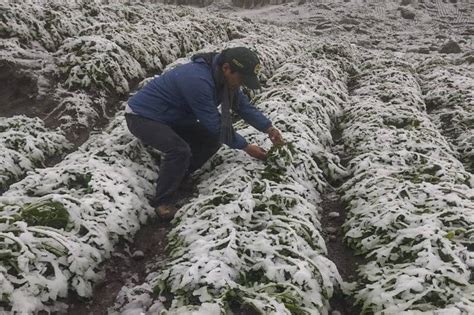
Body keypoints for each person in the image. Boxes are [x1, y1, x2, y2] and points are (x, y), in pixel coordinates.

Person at [125, 46, 284, 220]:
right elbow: (216, 124)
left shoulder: (223, 79)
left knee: (212, 140)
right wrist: (246, 146)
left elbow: (243, 107)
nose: (241, 84)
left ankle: (179, 177)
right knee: (179, 150)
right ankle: (162, 202)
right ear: (226, 68)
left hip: (173, 117)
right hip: (143, 116)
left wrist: (269, 128)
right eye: (241, 78)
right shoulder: (197, 80)